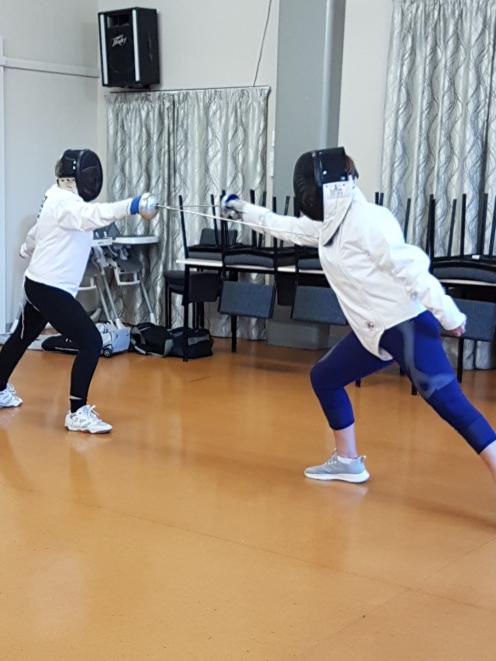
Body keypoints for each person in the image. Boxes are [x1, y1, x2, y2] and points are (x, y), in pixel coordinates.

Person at [221, 147, 496, 484]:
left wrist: (449, 315)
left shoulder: (369, 219)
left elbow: (412, 269)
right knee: (325, 377)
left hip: (405, 327)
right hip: (372, 333)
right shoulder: (330, 225)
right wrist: (242, 210)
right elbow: (287, 227)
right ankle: (348, 461)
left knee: (451, 405)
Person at [0, 149, 157, 433]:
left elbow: (37, 232)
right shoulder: (68, 205)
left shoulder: (55, 196)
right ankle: (77, 411)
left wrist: (26, 249)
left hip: (38, 283)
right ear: (73, 178)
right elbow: (95, 215)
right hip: (49, 289)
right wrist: (132, 205)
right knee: (91, 342)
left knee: (22, 336)